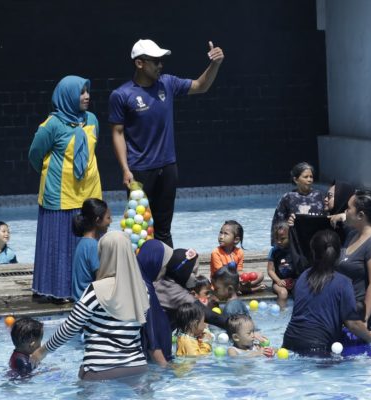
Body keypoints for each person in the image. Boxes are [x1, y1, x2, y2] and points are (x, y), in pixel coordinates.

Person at [109, 39, 224, 247]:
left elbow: (200, 86)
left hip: (168, 168)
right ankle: (141, 276)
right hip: (139, 172)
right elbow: (117, 133)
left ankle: (165, 276)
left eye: (161, 61)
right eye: (156, 61)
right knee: (140, 229)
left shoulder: (168, 83)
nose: (160, 65)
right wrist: (125, 169)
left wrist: (215, 63)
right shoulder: (121, 95)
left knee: (164, 229)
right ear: (140, 63)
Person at [30, 231, 150, 381]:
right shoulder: (142, 288)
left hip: (99, 370)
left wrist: (43, 351)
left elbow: (70, 327)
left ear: (104, 254)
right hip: (137, 367)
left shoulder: (97, 290)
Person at [28, 76, 102, 302]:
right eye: (81, 92)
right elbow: (35, 155)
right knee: (60, 246)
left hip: (89, 193)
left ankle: (91, 290)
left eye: (87, 91)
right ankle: (58, 291)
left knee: (89, 246)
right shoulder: (51, 125)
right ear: (67, 96)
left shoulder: (91, 120)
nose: (87, 96)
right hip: (60, 195)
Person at [283, 230, 371, 356]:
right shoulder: (343, 282)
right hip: (318, 346)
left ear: (313, 253)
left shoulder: (303, 276)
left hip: (289, 342)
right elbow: (353, 324)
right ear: (339, 254)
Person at [338, 190, 371, 331]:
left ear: (360, 215)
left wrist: (363, 320)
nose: (345, 211)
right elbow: (343, 218)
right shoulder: (354, 233)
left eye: (348, 208)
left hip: (368, 318)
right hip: (351, 312)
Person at [137, 239, 174, 367]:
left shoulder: (141, 283)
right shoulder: (144, 289)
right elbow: (151, 338)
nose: (164, 271)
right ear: (154, 263)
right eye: (164, 266)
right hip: (154, 365)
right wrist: (165, 366)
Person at [71, 199, 111, 301]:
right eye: (108, 218)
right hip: (89, 305)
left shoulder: (83, 242)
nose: (110, 222)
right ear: (98, 220)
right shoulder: (92, 246)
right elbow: (101, 281)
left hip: (80, 301)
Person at [210, 220, 264, 292]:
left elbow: (239, 270)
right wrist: (237, 279)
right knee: (231, 285)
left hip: (235, 279)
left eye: (225, 234)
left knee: (260, 275)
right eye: (221, 233)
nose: (221, 237)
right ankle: (251, 289)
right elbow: (221, 274)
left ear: (236, 239)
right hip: (221, 281)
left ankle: (244, 287)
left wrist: (244, 279)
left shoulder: (239, 252)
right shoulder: (216, 252)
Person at [272, 162, 325, 233]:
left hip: (316, 239)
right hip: (295, 239)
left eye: (311, 177)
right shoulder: (288, 198)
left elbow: (326, 217)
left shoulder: (319, 196)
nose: (309, 180)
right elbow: (277, 223)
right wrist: (287, 224)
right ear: (296, 180)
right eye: (305, 177)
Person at [266, 221, 296, 308]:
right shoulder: (274, 251)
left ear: (290, 237)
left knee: (301, 292)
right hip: (278, 282)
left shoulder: (294, 250)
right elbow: (270, 270)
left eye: (282, 239)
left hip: (294, 281)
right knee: (283, 293)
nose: (278, 241)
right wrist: (278, 280)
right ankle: (282, 313)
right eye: (276, 238)